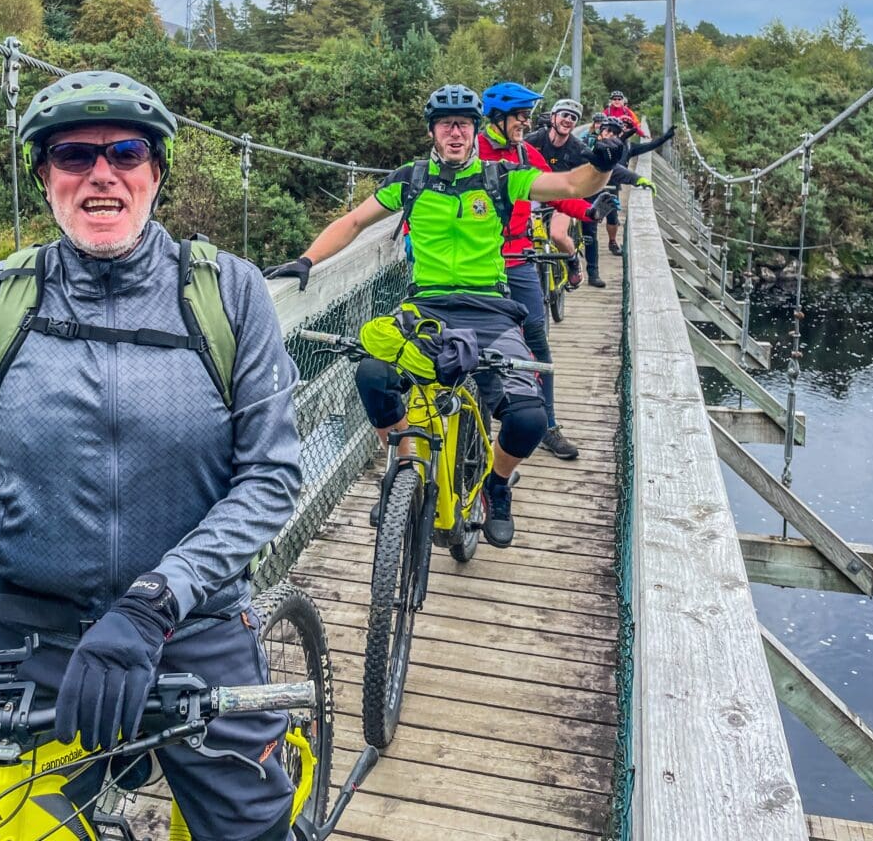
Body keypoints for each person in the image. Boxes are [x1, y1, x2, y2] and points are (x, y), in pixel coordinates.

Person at [0, 71, 302, 841]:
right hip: (33, 641)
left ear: (156, 172)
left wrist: (156, 600)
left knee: (249, 832)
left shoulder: (229, 293)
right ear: (45, 176)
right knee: (16, 832)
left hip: (189, 628)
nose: (102, 174)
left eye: (126, 152)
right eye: (73, 156)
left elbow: (268, 475)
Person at [265, 84, 622, 547]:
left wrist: (604, 162)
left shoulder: (502, 177)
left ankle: (496, 485)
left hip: (490, 311)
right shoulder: (410, 180)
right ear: (433, 131)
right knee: (373, 376)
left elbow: (574, 185)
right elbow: (354, 222)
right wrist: (306, 260)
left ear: (476, 129)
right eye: (446, 125)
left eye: (464, 125)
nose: (455, 133)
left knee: (530, 418)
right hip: (425, 309)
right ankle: (401, 466)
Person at [477, 82, 613, 462]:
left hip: (518, 258)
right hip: (478, 259)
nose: (526, 122)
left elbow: (558, 189)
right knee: (471, 344)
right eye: (520, 116)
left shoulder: (525, 152)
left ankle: (548, 426)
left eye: (527, 116)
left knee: (536, 338)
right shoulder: (471, 150)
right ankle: (475, 429)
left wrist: (589, 212)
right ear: (499, 119)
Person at [526, 99, 647, 286]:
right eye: (564, 115)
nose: (568, 120)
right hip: (534, 193)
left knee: (557, 235)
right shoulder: (534, 140)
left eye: (573, 118)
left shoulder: (577, 148)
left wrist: (637, 179)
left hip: (562, 197)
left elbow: (602, 168)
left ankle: (573, 261)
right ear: (553, 117)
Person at [597, 115, 672, 258]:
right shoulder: (597, 144)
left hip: (613, 184)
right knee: (592, 218)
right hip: (593, 184)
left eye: (626, 127)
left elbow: (649, 146)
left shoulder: (629, 147)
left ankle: (612, 242)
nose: (624, 129)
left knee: (612, 217)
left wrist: (666, 137)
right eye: (609, 131)